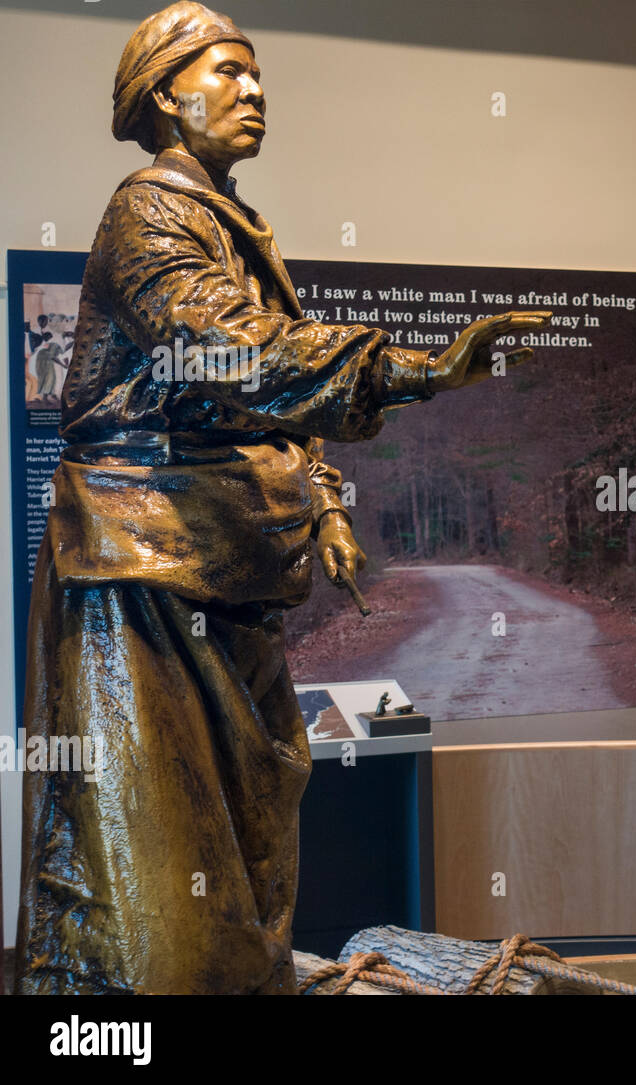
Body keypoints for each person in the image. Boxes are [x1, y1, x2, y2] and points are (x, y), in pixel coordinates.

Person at [15, 1, 548, 995]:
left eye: (258, 75)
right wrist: (418, 368)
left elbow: (263, 409)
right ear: (169, 97)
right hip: (142, 587)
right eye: (227, 73)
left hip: (221, 587)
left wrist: (327, 507)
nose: (253, 91)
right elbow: (237, 354)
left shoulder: (227, 226)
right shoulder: (150, 210)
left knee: (245, 875)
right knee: (152, 902)